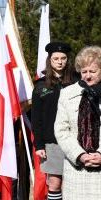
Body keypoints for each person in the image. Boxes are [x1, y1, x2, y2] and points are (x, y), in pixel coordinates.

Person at [31, 42, 78, 200]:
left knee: (75, 184)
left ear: (67, 60)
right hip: (52, 142)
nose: (60, 61)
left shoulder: (78, 82)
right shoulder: (41, 86)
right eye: (56, 58)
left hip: (75, 140)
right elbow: (36, 118)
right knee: (55, 183)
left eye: (63, 58)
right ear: (50, 60)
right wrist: (39, 144)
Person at [54, 45, 101, 199]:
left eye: (92, 71)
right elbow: (61, 130)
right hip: (76, 170)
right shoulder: (67, 94)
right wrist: (79, 155)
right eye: (84, 72)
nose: (87, 76)